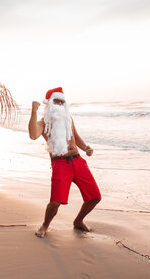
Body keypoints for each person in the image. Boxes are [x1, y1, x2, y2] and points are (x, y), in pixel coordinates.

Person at [28, 87, 101, 238]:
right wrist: (34, 110)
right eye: (57, 101)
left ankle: (78, 221)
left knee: (95, 197)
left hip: (78, 161)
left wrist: (86, 147)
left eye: (62, 102)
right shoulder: (44, 123)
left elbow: (76, 137)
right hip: (60, 164)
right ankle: (44, 226)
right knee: (56, 202)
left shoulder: (68, 119)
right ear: (49, 104)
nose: (60, 105)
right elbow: (33, 135)